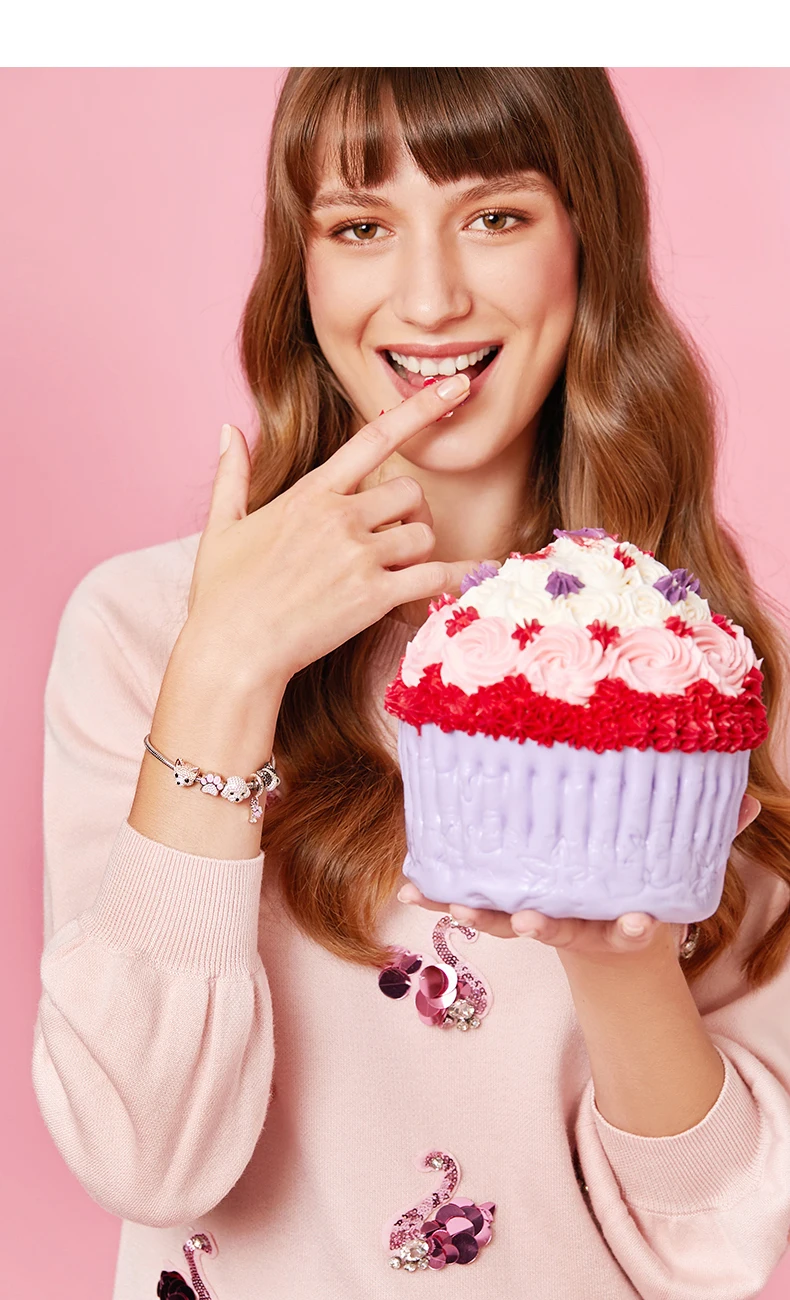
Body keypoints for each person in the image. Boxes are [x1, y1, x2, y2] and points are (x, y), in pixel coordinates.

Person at [32, 68, 790, 1299]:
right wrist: (225, 669)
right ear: (302, 270)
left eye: (495, 215)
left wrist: (620, 958)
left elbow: (710, 1250)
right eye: (360, 226)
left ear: (586, 241)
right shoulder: (145, 631)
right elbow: (147, 1159)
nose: (430, 298)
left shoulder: (705, 673)